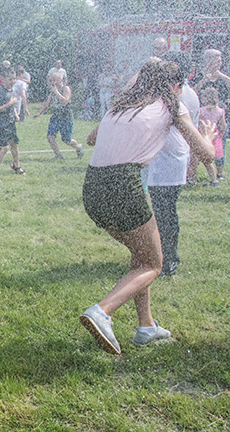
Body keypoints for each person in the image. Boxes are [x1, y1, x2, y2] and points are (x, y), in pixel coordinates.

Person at [80, 60, 215, 354]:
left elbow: (91, 138)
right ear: (175, 86)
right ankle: (101, 312)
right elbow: (206, 155)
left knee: (140, 254)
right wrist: (208, 135)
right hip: (123, 184)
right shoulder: (172, 105)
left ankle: (146, 326)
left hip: (92, 187)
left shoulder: (121, 104)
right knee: (154, 263)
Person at [144, 60, 200, 278]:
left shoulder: (174, 101)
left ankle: (168, 262)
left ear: (176, 84)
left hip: (168, 165)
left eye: (163, 81)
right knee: (164, 214)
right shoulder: (183, 95)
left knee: (165, 216)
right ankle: (163, 258)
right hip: (168, 162)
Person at [33, 71, 84, 160]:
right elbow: (47, 104)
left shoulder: (65, 89)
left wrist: (56, 92)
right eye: (51, 80)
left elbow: (65, 101)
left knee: (67, 140)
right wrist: (39, 113)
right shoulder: (52, 91)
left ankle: (78, 147)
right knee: (50, 136)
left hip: (66, 117)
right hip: (56, 117)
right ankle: (58, 155)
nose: (52, 83)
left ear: (60, 80)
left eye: (54, 80)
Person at [0, 68, 25, 182]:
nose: (12, 81)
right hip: (1, 125)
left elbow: (12, 106)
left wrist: (15, 115)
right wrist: (9, 104)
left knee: (14, 145)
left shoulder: (12, 90)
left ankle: (17, 166)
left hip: (10, 123)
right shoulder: (0, 92)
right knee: (4, 148)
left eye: (14, 79)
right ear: (3, 79)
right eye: (10, 79)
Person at [198, 87, 226, 186]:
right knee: (217, 158)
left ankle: (212, 179)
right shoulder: (220, 111)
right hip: (215, 135)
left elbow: (199, 124)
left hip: (204, 135)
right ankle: (219, 174)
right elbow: (223, 126)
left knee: (205, 158)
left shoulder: (201, 110)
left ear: (205, 98)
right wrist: (220, 135)